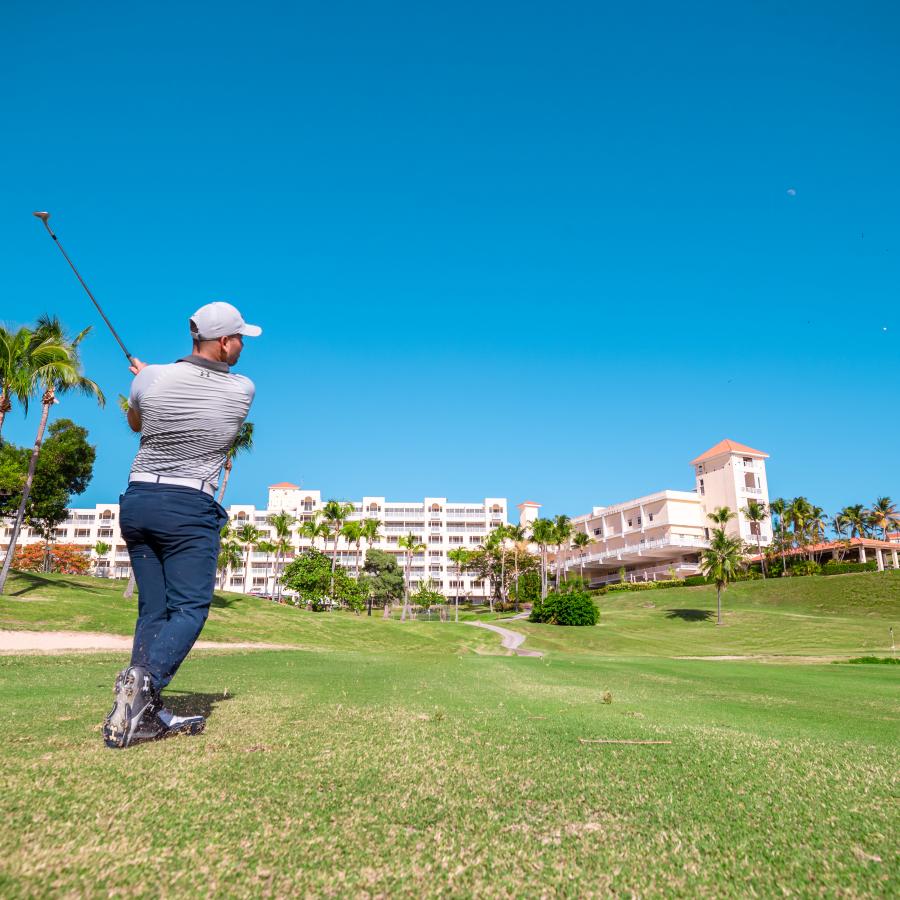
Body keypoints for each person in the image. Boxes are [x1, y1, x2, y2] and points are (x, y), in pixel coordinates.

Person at [103, 301, 260, 749]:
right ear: (225, 342)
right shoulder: (242, 389)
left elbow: (138, 422)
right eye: (240, 339)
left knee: (153, 610)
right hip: (188, 504)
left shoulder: (151, 380)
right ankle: (144, 687)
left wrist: (144, 378)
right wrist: (150, 376)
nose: (242, 347)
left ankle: (140, 713)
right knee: (191, 607)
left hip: (138, 500)